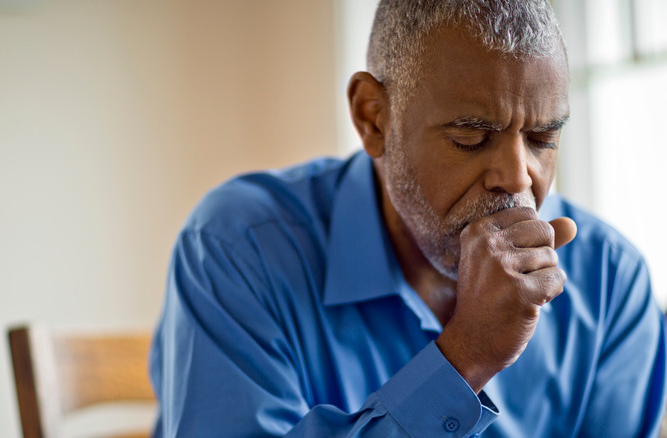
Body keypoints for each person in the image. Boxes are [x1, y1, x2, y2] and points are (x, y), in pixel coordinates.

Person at [150, 1, 667, 436]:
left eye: (543, 139)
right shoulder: (240, 248)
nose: (518, 178)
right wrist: (465, 358)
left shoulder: (610, 285)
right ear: (373, 117)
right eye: (471, 137)